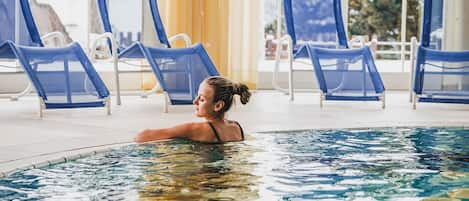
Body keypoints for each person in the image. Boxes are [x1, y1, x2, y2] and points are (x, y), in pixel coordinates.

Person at [134, 76, 251, 143]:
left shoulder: (198, 129)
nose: (194, 101)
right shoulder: (237, 127)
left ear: (218, 106)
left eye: (201, 99)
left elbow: (142, 136)